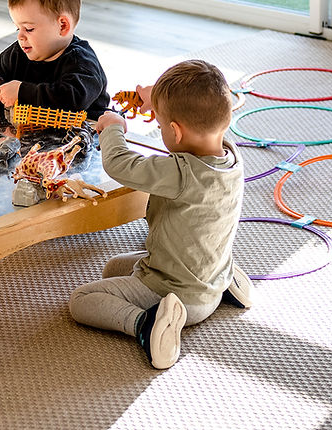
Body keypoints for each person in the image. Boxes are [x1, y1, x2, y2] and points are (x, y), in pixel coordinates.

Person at [68, 59, 252, 369]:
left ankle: (146, 324)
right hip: (209, 277)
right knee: (114, 267)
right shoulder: (230, 155)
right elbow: (199, 101)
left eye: (161, 124)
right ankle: (226, 282)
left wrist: (113, 130)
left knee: (81, 301)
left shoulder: (180, 173)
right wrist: (155, 97)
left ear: (176, 132)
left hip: (178, 293)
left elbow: (120, 165)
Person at [0, 0, 110, 119]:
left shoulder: (82, 62)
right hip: (30, 134)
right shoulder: (17, 54)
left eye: (29, 29)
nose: (20, 36)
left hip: (85, 134)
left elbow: (72, 100)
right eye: (17, 28)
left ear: (62, 26)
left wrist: (22, 92)